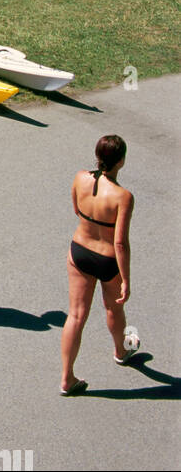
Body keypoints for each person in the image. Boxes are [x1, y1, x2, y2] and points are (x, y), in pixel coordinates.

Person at [60, 134, 137, 395]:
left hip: (79, 251)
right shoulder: (123, 196)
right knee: (113, 309)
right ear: (122, 161)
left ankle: (67, 378)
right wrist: (126, 279)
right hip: (107, 259)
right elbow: (120, 244)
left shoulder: (80, 177)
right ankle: (121, 351)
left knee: (76, 316)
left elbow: (75, 208)